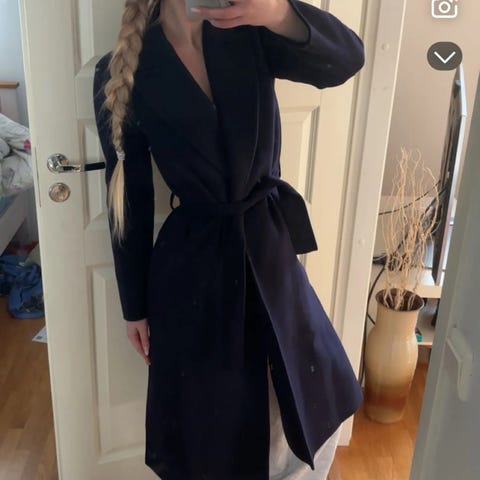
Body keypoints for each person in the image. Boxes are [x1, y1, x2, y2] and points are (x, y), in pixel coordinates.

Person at [93, 0, 365, 478]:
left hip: (268, 248)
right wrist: (133, 305)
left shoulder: (250, 25)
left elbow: (346, 60)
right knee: (211, 429)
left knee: (302, 400)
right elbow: (128, 202)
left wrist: (277, 12)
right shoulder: (122, 68)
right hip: (192, 269)